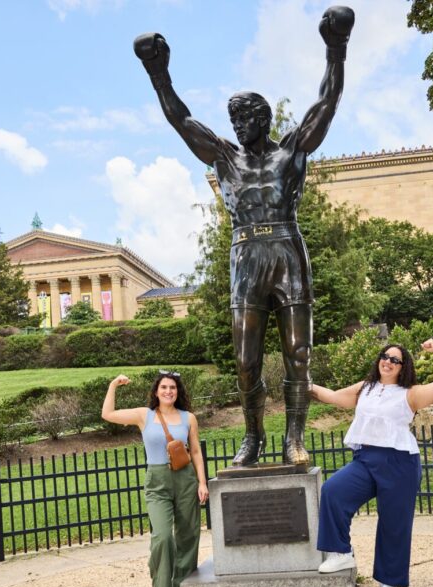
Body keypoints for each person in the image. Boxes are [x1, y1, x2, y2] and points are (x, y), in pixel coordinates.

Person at [133, 6, 355, 467]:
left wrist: (336, 48)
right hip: (245, 256)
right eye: (232, 119)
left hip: (287, 250)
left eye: (244, 118)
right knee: (245, 359)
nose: (236, 126)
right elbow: (182, 120)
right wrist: (158, 73)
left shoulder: (292, 150)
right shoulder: (224, 158)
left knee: (298, 352)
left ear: (263, 118)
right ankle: (252, 438)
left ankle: (295, 438)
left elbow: (326, 104)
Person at [310, 339, 433, 587]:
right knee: (333, 491)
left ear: (403, 367)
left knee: (393, 524)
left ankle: (389, 582)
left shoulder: (410, 393)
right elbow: (335, 396)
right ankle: (341, 552)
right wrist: (304, 383)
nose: (387, 361)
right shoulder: (366, 387)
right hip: (365, 459)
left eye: (395, 359)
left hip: (399, 464)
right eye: (385, 356)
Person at [101, 371, 209, 587]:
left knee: (188, 535)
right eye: (164, 387)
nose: (168, 391)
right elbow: (107, 414)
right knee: (162, 537)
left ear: (178, 391)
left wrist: (202, 482)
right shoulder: (144, 415)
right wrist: (113, 385)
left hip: (185, 480)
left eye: (172, 387)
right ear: (156, 391)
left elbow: (195, 451)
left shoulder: (188, 418)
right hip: (157, 482)